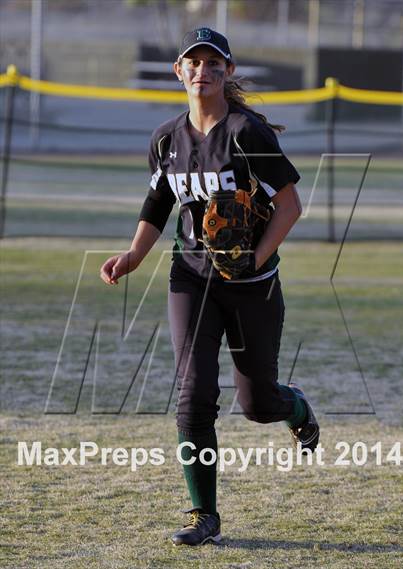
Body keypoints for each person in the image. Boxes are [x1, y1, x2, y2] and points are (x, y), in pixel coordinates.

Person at [100, 27, 319, 547]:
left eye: (212, 63)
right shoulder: (165, 139)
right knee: (194, 396)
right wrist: (134, 254)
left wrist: (252, 260)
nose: (202, 71)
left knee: (258, 404)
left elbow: (289, 206)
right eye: (192, 63)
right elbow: (158, 202)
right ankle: (204, 514)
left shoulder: (246, 134)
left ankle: (295, 408)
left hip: (253, 286)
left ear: (228, 71)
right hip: (191, 278)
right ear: (179, 72)